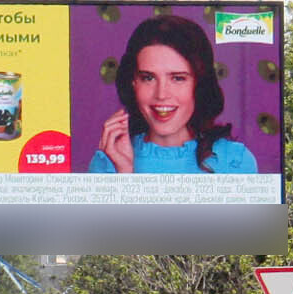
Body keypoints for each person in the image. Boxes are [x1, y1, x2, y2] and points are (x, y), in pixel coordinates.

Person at [86, 14, 260, 175]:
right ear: (133, 83)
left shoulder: (235, 161)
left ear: (199, 84)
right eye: (148, 78)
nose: (161, 95)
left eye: (178, 78)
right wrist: (124, 173)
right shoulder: (107, 162)